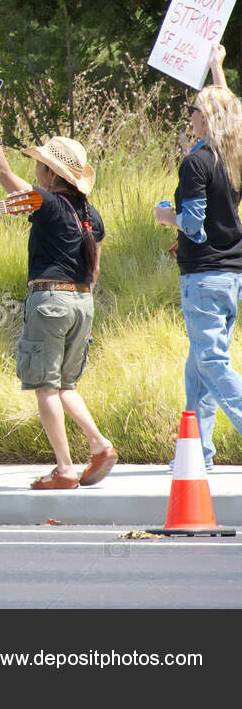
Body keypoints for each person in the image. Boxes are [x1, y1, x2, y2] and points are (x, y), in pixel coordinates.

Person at [0, 100, 114, 488]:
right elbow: (95, 271)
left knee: (45, 388)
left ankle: (65, 469)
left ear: (50, 172)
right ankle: (99, 444)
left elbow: (3, 174)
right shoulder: (91, 215)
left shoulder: (46, 202)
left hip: (50, 300)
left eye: (40, 164)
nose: (35, 170)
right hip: (82, 304)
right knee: (66, 385)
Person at [155, 56, 242, 469]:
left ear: (204, 117)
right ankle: (195, 453)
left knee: (211, 363)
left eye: (193, 109)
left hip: (203, 275)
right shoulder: (233, 158)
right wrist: (216, 68)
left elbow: (194, 225)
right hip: (231, 276)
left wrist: (165, 216)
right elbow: (228, 109)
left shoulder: (196, 162)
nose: (188, 114)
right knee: (199, 368)